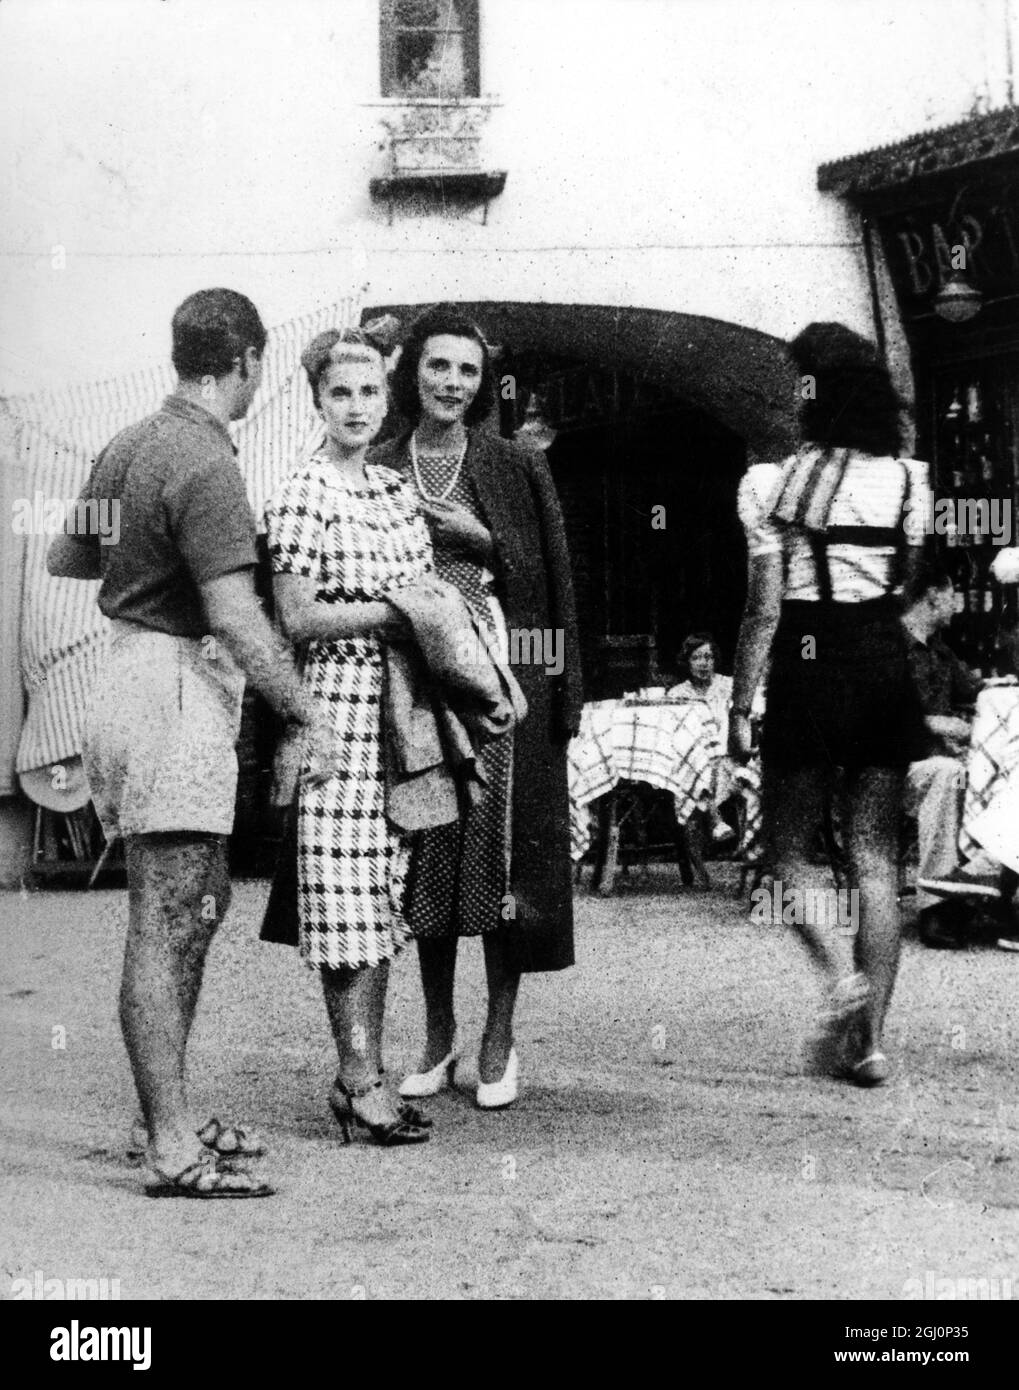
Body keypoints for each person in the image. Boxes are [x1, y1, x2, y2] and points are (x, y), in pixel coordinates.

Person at [47, 289, 341, 1196]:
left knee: (195, 901)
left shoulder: (129, 443)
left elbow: (72, 558)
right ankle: (171, 1148)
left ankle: (163, 1109)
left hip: (124, 673)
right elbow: (235, 615)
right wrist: (302, 710)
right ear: (248, 361)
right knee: (168, 918)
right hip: (174, 687)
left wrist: (147, 558)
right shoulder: (204, 459)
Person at [370, 304, 582, 1109]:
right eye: (437, 366)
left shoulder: (514, 464)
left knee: (496, 854)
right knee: (426, 841)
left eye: (466, 370)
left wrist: (482, 542)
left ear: (481, 381)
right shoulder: (381, 458)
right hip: (408, 674)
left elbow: (552, 580)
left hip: (497, 671)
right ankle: (435, 1032)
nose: (451, 383)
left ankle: (498, 1034)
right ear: (412, 373)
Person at [729, 322, 930, 1088]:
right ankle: (869, 1043)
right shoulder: (910, 481)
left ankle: (837, 982)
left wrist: (738, 707)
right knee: (877, 858)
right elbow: (904, 582)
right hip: (879, 659)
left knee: (785, 854)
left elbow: (761, 612)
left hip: (807, 664)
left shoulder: (771, 484)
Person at [263, 327, 433, 1146]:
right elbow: (294, 617)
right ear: (318, 401)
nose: (357, 406)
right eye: (341, 393)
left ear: (385, 397)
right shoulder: (301, 492)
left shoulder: (397, 491)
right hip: (329, 708)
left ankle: (359, 1075)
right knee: (340, 899)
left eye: (369, 392)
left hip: (399, 708)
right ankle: (360, 1078)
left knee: (385, 893)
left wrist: (422, 614)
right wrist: (402, 612)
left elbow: (431, 585)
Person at [899, 563, 987, 948]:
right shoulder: (888, 648)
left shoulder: (940, 651)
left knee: (998, 776)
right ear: (933, 596)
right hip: (889, 767)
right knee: (947, 772)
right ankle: (934, 906)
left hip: (936, 763)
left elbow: (973, 692)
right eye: (952, 596)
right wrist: (933, 723)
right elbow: (866, 714)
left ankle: (986, 894)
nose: (956, 606)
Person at [668, 632, 739, 845]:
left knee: (706, 770)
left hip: (728, 756)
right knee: (695, 768)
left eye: (708, 657)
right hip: (695, 760)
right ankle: (716, 821)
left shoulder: (730, 687)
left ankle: (715, 821)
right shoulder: (677, 694)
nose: (703, 663)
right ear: (687, 662)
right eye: (697, 658)